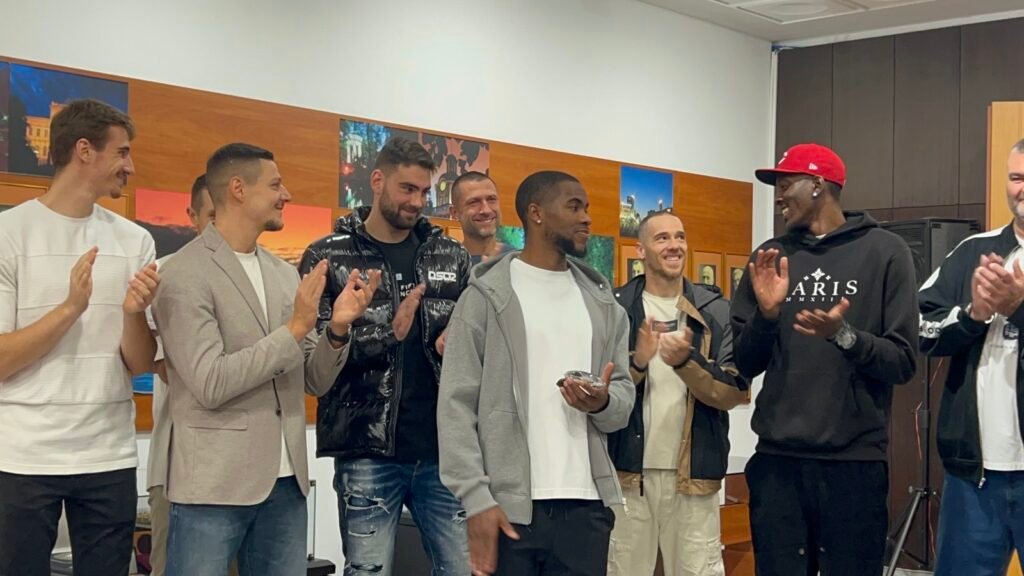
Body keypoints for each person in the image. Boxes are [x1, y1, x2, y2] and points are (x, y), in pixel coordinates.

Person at [153, 143, 379, 576]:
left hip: (287, 485)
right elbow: (210, 382)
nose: (286, 194)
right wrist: (293, 329)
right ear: (238, 189)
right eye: (275, 185)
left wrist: (337, 329)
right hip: (213, 487)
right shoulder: (183, 274)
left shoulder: (281, 273)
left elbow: (312, 379)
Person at [730, 142, 918, 575]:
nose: (778, 196)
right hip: (777, 465)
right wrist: (767, 316)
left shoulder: (885, 251)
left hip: (853, 465)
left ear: (817, 184)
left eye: (785, 184)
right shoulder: (770, 257)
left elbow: (903, 361)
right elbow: (745, 363)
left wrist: (844, 335)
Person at [438, 170, 635, 576]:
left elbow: (622, 399)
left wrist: (602, 402)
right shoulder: (484, 298)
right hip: (508, 510)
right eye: (574, 207)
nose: (586, 218)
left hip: (587, 508)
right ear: (536, 213)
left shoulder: (604, 305)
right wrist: (476, 498)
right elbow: (455, 405)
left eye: (586, 208)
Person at [0, 99, 159, 576]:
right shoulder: (9, 234)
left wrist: (133, 314)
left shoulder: (135, 241)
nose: (131, 166)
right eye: (122, 152)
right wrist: (71, 308)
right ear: (84, 150)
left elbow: (141, 364)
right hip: (23, 457)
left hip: (108, 455)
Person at [300, 136, 472, 574]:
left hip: (444, 451)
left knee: (462, 568)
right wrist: (387, 335)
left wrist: (459, 341)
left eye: (424, 192)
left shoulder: (451, 255)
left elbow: (474, 338)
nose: (417, 202)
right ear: (377, 181)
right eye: (407, 188)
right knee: (367, 570)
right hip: (366, 451)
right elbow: (315, 357)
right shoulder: (328, 255)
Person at [607, 210, 746, 576]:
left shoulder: (715, 310)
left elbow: (734, 391)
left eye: (680, 237)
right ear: (640, 250)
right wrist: (638, 362)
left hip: (694, 476)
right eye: (663, 238)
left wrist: (687, 362)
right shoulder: (616, 308)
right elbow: (602, 393)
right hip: (627, 474)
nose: (675, 245)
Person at [919, 138, 1024, 575]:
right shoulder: (971, 252)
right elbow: (923, 328)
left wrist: (1018, 308)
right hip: (973, 475)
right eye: (1016, 178)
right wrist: (973, 315)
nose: (1023, 188)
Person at [145, 173, 217, 576]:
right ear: (193, 216)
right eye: (212, 217)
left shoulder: (269, 277)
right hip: (178, 466)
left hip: (250, 473)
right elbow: (170, 371)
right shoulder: (165, 275)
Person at [448, 171, 509, 264]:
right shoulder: (445, 265)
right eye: (474, 202)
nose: (486, 210)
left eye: (491, 199)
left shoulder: (518, 260)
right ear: (455, 213)